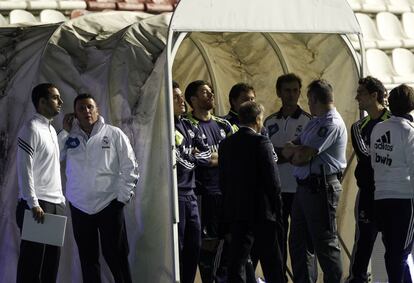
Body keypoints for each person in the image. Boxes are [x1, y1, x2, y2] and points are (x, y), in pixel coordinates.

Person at [58, 93, 139, 283]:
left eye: (90, 107)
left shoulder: (113, 133)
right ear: (75, 114)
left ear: (97, 110)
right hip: (79, 207)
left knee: (117, 257)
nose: (86, 111)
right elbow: (55, 158)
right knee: (88, 260)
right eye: (81, 108)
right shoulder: (69, 137)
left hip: (109, 204)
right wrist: (64, 132)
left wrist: (122, 198)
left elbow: (130, 167)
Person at [282, 79, 347, 283]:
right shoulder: (315, 121)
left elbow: (302, 155)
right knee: (298, 242)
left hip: (321, 187)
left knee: (325, 243)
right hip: (304, 188)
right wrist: (295, 151)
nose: (307, 104)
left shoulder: (330, 123)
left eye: (309, 99)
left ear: (314, 99)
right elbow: (290, 147)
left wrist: (295, 152)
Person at [219, 101, 285, 283]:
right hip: (262, 210)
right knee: (272, 261)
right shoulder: (261, 141)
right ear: (258, 120)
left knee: (237, 261)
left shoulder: (226, 144)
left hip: (237, 210)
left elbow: (223, 180)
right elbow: (273, 180)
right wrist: (277, 207)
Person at [264, 73, 313, 282]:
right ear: (279, 93)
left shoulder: (309, 120)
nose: (292, 95)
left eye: (295, 90)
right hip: (278, 190)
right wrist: (287, 153)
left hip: (301, 189)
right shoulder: (269, 121)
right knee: (278, 241)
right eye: (287, 90)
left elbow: (306, 152)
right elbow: (266, 154)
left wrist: (281, 153)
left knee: (302, 243)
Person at [15, 83, 66, 283]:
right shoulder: (30, 128)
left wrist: (60, 202)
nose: (61, 102)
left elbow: (50, 163)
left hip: (55, 205)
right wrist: (33, 203)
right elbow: (23, 168)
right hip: (38, 206)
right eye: (55, 98)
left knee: (50, 267)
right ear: (42, 102)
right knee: (31, 266)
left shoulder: (52, 130)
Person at [184, 80, 234, 283]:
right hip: (203, 193)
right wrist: (219, 158)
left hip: (227, 192)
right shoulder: (187, 125)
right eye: (205, 93)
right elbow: (195, 158)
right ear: (193, 100)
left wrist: (211, 158)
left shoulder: (224, 124)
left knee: (229, 239)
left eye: (211, 91)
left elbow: (236, 154)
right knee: (207, 242)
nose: (211, 95)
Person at [347, 76, 390, 283]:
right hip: (368, 192)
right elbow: (366, 158)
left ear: (374, 96)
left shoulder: (395, 122)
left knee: (395, 245)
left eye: (361, 93)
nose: (357, 98)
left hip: (392, 193)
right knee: (364, 241)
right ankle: (358, 279)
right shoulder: (358, 126)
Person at [370, 84, 414, 283]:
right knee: (401, 253)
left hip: (381, 197)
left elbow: (374, 162)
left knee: (392, 252)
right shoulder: (409, 131)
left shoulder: (378, 128)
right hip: (404, 198)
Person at [173, 81, 211, 283]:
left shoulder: (189, 125)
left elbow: (206, 154)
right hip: (175, 196)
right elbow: (181, 164)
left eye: (181, 96)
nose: (182, 101)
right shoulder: (165, 127)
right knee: (176, 248)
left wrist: (193, 158)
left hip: (192, 195)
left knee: (194, 246)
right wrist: (194, 159)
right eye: (176, 97)